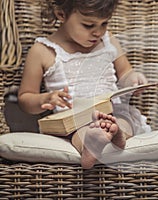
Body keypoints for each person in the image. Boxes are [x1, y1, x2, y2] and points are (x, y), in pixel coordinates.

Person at [18, 0, 151, 169]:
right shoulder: (43, 51)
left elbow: (125, 72)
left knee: (124, 121)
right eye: (88, 25)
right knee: (80, 132)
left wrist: (134, 79)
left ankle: (116, 134)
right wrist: (46, 99)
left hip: (112, 111)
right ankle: (92, 143)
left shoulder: (108, 40)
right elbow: (25, 98)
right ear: (61, 14)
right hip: (74, 121)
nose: (98, 32)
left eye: (104, 23)